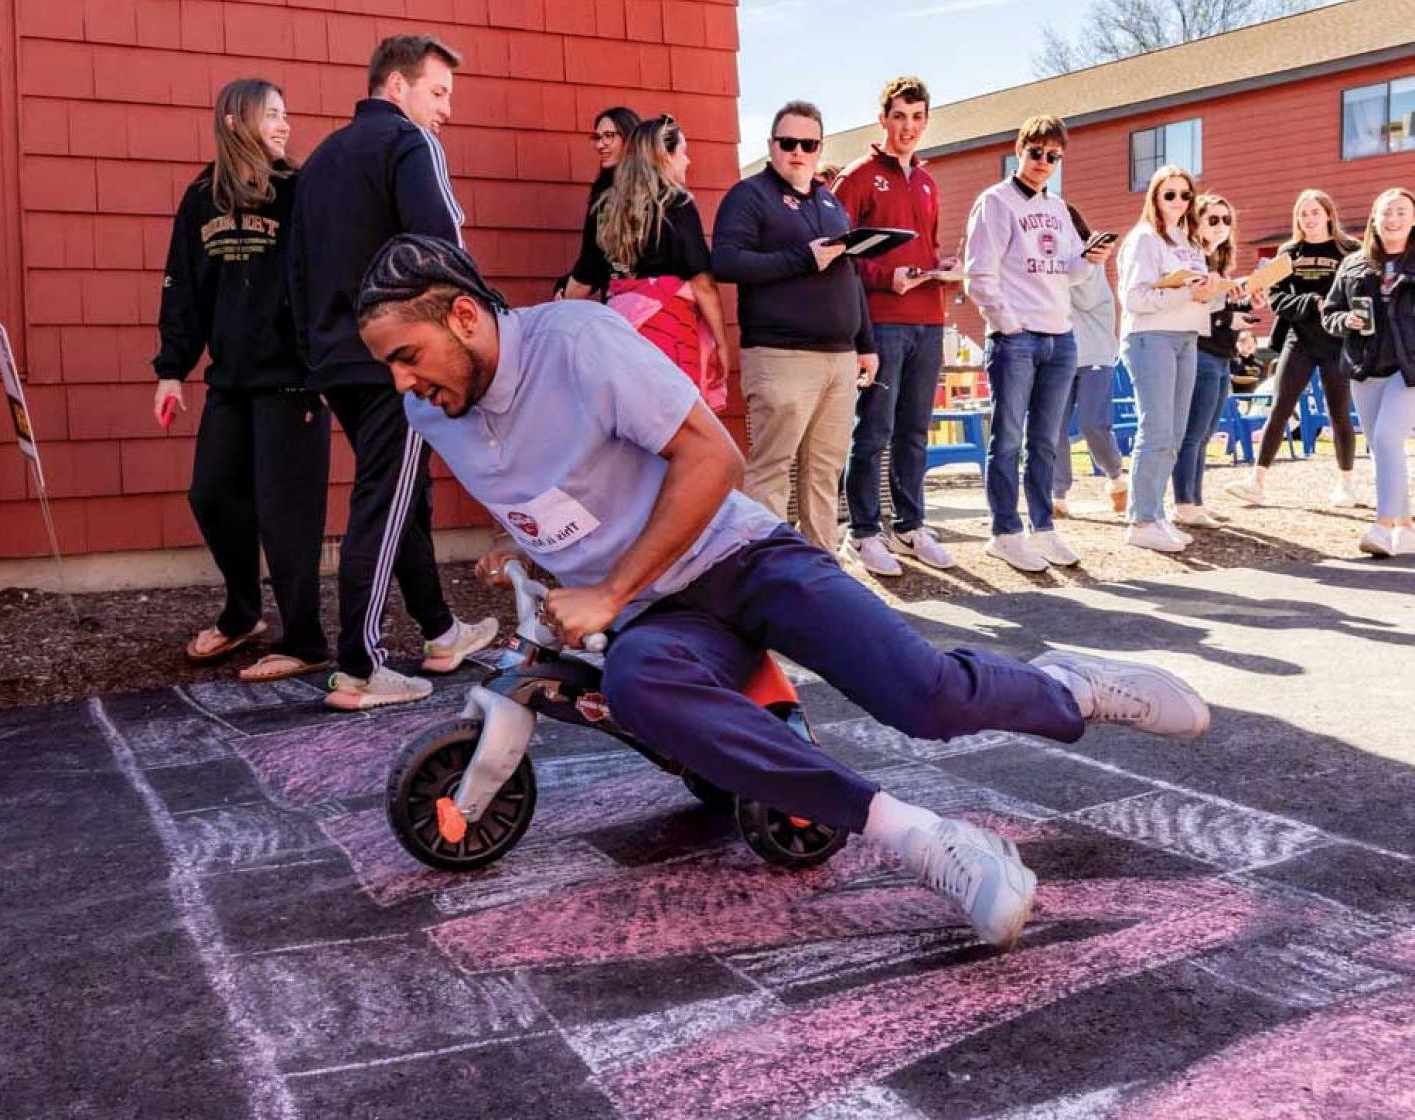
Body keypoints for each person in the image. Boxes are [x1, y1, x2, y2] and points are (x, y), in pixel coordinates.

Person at [354, 234, 1211, 952]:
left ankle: (1071, 686)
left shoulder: (577, 341)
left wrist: (611, 589)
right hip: (660, 618)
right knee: (640, 686)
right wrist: (530, 545)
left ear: (464, 317)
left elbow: (712, 460)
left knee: (925, 698)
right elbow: (560, 489)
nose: (402, 383)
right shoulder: (439, 411)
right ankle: (926, 842)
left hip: (741, 558)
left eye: (407, 357)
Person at [288, 34, 496, 710]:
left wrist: (312, 355)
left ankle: (439, 632)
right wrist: (479, 329)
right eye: (438, 93)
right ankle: (359, 666)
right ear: (396, 87)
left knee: (404, 492)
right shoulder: (409, 145)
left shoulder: (319, 160)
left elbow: (295, 269)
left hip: (332, 356)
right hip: (394, 359)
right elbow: (440, 247)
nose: (446, 111)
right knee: (383, 499)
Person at [153, 78, 331, 683]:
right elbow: (183, 286)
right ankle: (243, 612)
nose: (284, 125)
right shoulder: (202, 196)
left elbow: (324, 283)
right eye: (271, 115)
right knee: (211, 495)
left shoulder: (297, 191)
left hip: (292, 381)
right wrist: (172, 371)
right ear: (234, 122)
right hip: (229, 383)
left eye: (286, 114)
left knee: (287, 513)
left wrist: (324, 362)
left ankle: (304, 638)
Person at [711, 101, 876, 552]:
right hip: (781, 356)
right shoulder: (750, 195)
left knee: (825, 472)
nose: (798, 152)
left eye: (809, 144)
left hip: (839, 358)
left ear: (820, 148)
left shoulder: (829, 200)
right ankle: (767, 572)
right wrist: (803, 257)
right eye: (788, 143)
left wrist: (866, 342)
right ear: (772, 146)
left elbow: (850, 275)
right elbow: (725, 261)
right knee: (771, 470)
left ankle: (821, 569)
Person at [964, 115, 1112, 572]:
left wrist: (1089, 259)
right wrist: (1008, 325)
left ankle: (1043, 527)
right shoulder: (995, 202)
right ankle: (1005, 531)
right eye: (1036, 153)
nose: (1043, 163)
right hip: (1017, 339)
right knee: (1007, 439)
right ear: (1019, 148)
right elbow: (978, 275)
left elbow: (1068, 271)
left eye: (1053, 157)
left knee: (1046, 441)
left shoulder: (1058, 207)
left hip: (1060, 336)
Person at [833, 76, 957, 576]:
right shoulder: (858, 178)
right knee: (874, 430)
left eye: (917, 117)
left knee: (914, 431)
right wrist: (888, 278)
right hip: (881, 324)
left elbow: (922, 248)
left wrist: (939, 265)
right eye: (900, 116)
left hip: (928, 320)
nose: (908, 127)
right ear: (882, 118)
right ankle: (861, 532)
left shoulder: (928, 181)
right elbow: (839, 256)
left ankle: (909, 526)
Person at [566, 115, 730, 411]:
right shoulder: (677, 203)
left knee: (630, 420)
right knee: (675, 426)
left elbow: (585, 275)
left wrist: (560, 316)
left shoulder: (607, 207)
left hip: (619, 326)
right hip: (668, 328)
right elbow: (702, 283)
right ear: (663, 156)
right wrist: (722, 343)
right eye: (683, 151)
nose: (688, 161)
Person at [1227, 189, 1362, 510]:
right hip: (1299, 340)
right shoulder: (1288, 253)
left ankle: (1346, 484)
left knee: (1339, 413)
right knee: (1279, 408)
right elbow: (1277, 300)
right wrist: (1312, 302)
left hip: (1337, 342)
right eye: (1303, 213)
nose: (1309, 218)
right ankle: (1256, 482)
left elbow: (1358, 291)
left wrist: (1338, 310)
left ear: (1329, 214)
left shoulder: (1350, 250)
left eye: (1315, 212)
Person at [1116, 165, 1220, 553]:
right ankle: (1141, 519)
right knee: (1157, 429)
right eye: (1169, 194)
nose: (1179, 201)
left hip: (1187, 337)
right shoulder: (1143, 239)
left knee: (1175, 432)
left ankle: (1155, 514)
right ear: (1155, 197)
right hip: (1150, 337)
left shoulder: (1189, 242)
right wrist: (1185, 294)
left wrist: (1214, 289)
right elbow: (1134, 299)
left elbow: (1197, 293)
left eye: (1185, 194)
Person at [1321, 187, 1415, 558]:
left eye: (1401, 211)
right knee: (1381, 447)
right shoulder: (1354, 264)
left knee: (1388, 435)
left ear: (1413, 217)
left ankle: (1382, 525)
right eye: (1385, 212)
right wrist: (1348, 319)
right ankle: (1407, 526)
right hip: (1365, 366)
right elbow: (1329, 314)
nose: (1392, 219)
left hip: (1409, 368)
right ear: (1374, 219)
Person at [1170, 193, 1265, 529]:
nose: (1222, 226)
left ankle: (1195, 500)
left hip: (1222, 354)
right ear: (1196, 221)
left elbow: (1225, 316)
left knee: (1206, 432)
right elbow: (1196, 313)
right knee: (1192, 432)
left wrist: (1248, 304)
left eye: (1227, 220)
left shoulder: (1219, 265)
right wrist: (1231, 314)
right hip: (1200, 351)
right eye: (1213, 219)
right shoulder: (1194, 262)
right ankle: (1183, 503)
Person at [1052, 203, 1129, 519]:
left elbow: (1082, 296)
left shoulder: (1089, 258)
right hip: (1061, 352)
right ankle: (1057, 495)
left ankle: (1117, 478)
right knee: (1054, 425)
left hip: (1095, 352)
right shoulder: (1057, 259)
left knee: (1092, 423)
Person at [556, 106, 640, 299]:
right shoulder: (605, 195)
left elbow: (591, 266)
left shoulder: (611, 201)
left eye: (609, 136)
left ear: (629, 138)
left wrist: (564, 297)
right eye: (598, 138)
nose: (600, 145)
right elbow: (596, 263)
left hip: (628, 309)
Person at [1230, 330, 1270, 395]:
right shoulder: (1231, 362)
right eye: (1245, 342)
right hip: (1236, 397)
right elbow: (1232, 378)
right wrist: (1254, 379)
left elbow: (1263, 383)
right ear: (1237, 344)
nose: (1250, 345)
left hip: (1255, 397)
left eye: (1253, 343)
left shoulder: (1259, 364)